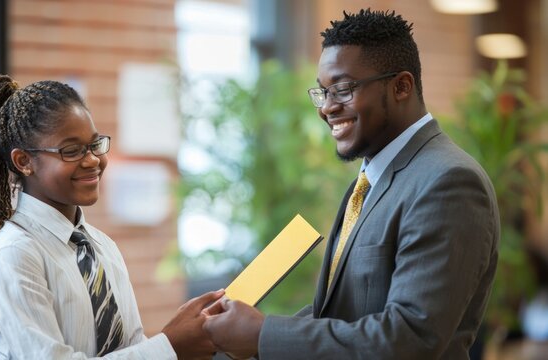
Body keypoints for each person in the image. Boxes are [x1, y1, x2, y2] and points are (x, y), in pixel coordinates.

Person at [203, 9, 500, 359]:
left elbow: (410, 339)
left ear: (401, 86)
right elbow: (343, 314)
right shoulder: (370, 176)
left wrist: (261, 335)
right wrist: (246, 331)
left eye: (342, 89)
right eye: (322, 92)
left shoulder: (448, 182)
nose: (327, 108)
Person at [0, 75, 223, 359]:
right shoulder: (14, 255)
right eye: (71, 151)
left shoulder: (101, 246)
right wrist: (169, 346)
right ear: (24, 161)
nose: (92, 159)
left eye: (94, 144)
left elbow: (128, 348)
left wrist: (182, 337)